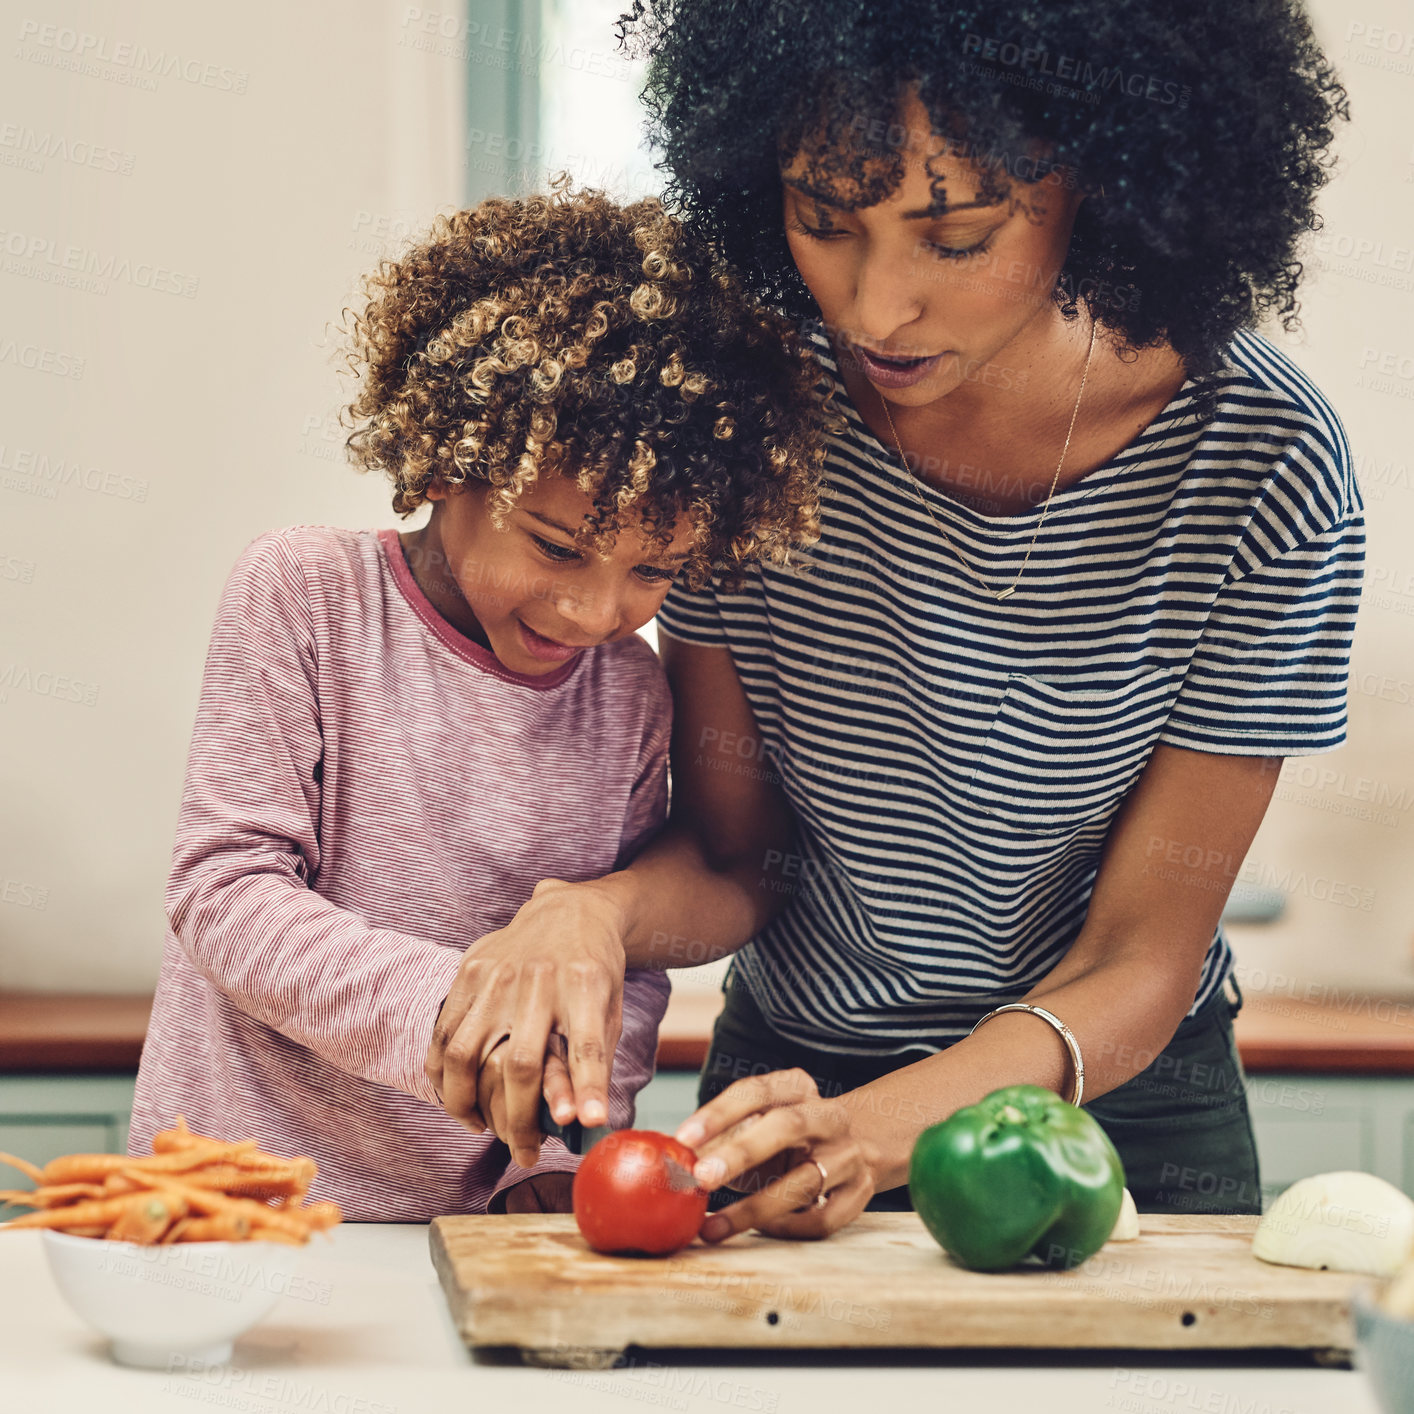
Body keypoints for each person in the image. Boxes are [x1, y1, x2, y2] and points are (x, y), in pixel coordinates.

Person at [429, 0, 1365, 1239]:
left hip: (1107, 1105)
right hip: (793, 1077)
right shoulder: (742, 411)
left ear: (1105, 186)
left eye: (959, 235)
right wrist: (585, 909)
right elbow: (738, 851)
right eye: (823, 220)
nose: (875, 309)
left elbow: (1140, 958)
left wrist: (877, 1134)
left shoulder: (1261, 460)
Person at [128, 184, 830, 1220]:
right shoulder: (304, 596)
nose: (596, 610)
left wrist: (563, 1144)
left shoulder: (629, 690)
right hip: (228, 1200)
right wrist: (456, 1004)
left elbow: (621, 968)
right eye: (556, 546)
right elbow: (224, 892)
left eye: (656, 571)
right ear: (449, 459)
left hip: (465, 1218)